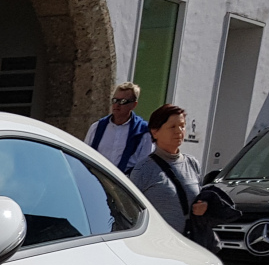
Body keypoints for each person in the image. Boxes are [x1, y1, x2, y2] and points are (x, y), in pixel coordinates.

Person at [129, 104, 208, 232]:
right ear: (155, 132)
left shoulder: (193, 163)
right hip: (157, 243)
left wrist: (204, 206)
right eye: (172, 127)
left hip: (189, 243)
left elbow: (200, 198)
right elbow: (130, 212)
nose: (179, 131)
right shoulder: (143, 169)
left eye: (182, 126)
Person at [84, 82, 152, 174]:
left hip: (124, 183)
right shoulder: (97, 128)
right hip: (97, 180)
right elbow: (86, 156)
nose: (117, 105)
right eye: (115, 100)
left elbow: (143, 166)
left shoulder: (143, 131)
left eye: (123, 101)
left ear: (134, 105)